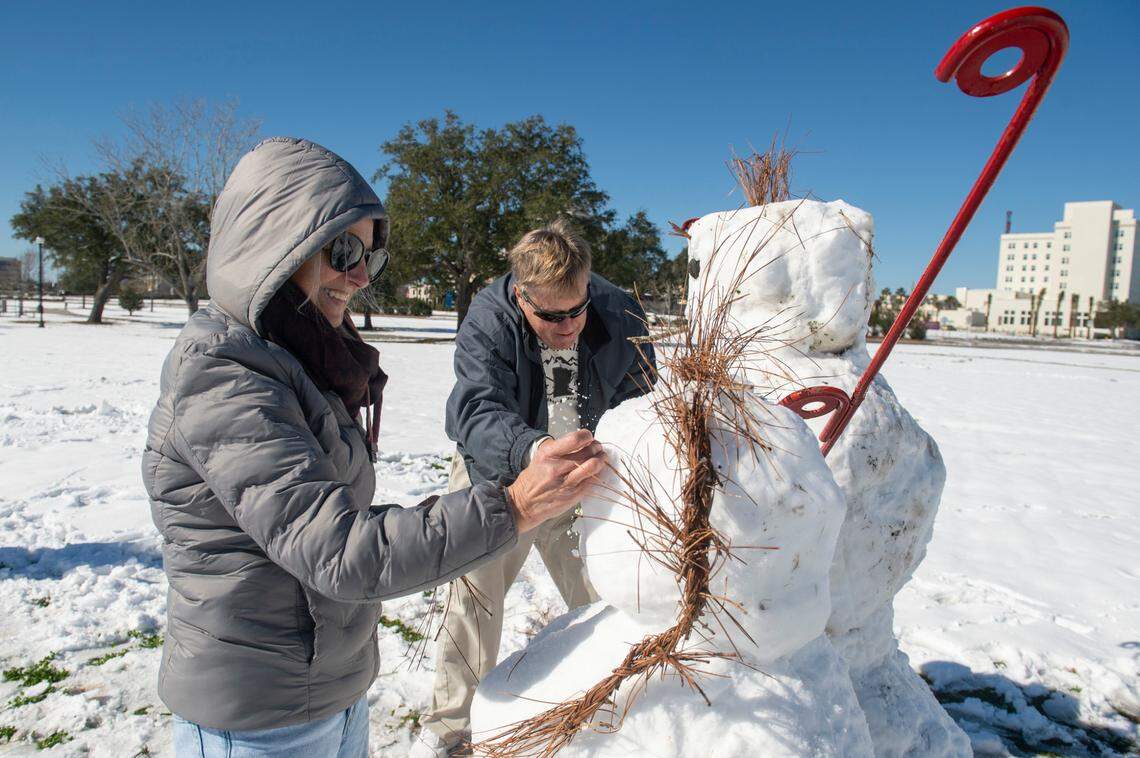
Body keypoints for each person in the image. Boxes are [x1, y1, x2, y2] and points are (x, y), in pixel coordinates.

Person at [141, 137, 606, 758]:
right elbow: (340, 550)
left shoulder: (304, 359)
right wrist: (516, 500)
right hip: (256, 715)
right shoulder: (225, 378)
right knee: (476, 611)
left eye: (370, 255)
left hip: (328, 689)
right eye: (344, 250)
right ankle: (452, 730)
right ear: (275, 246)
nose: (361, 274)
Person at [414, 220, 656, 755]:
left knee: (608, 594)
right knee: (475, 600)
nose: (568, 325)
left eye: (577, 308)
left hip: (589, 472)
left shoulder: (620, 313)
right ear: (521, 293)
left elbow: (642, 401)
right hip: (501, 474)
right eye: (550, 315)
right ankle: (451, 729)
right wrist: (535, 451)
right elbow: (474, 410)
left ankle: (613, 713)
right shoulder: (489, 317)